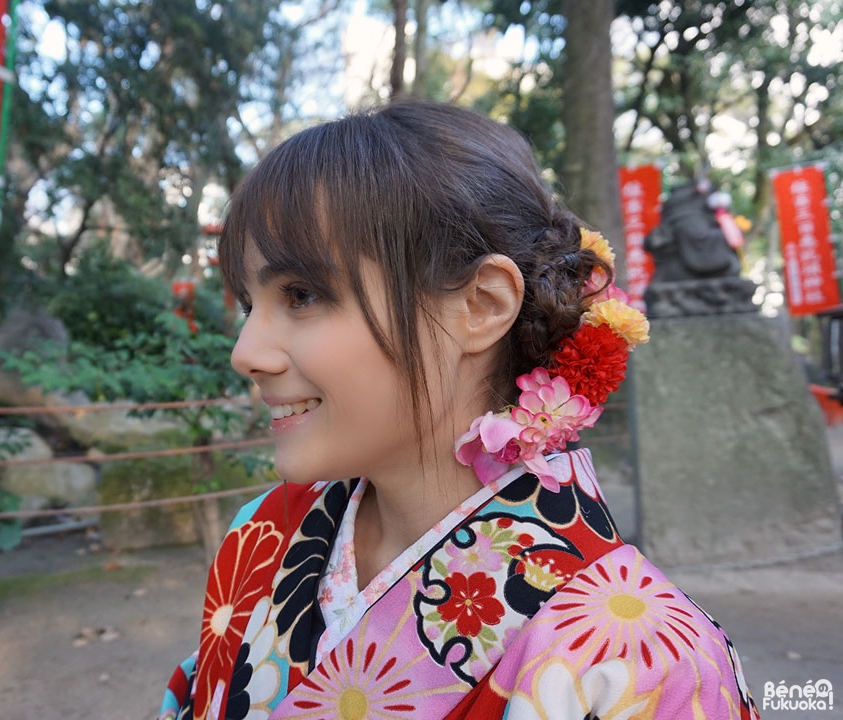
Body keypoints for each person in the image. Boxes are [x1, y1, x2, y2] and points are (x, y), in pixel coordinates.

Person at [159, 101, 760, 720]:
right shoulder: (263, 533)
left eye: (302, 295)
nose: (246, 353)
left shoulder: (645, 662)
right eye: (248, 307)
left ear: (480, 305)